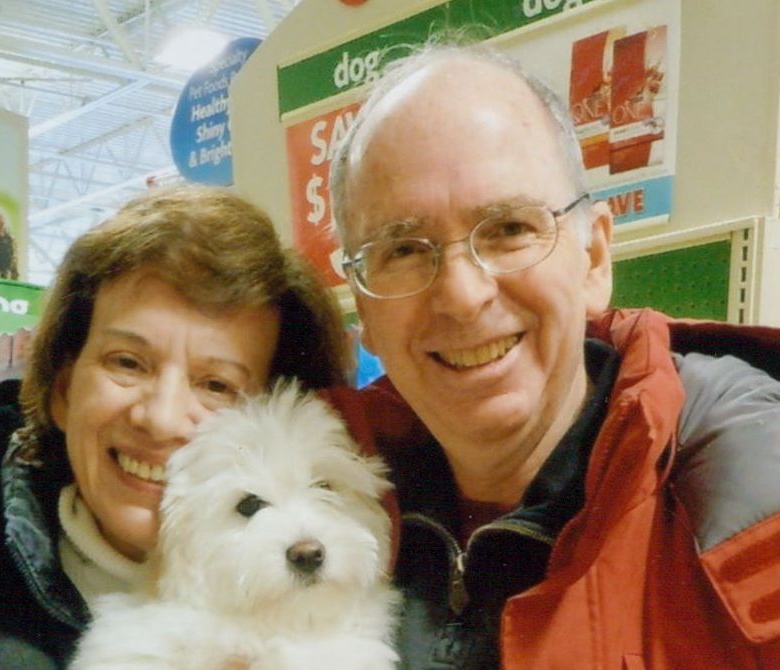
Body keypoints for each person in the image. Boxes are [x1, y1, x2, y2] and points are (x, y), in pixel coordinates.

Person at [326, 40, 780, 669]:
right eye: (402, 249)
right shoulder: (310, 508)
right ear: (364, 311)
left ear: (593, 259)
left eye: (510, 228)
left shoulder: (753, 502)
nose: (462, 296)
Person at [0, 184, 351, 669]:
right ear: (64, 389)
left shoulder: (353, 602)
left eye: (217, 385)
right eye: (127, 362)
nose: (160, 418)